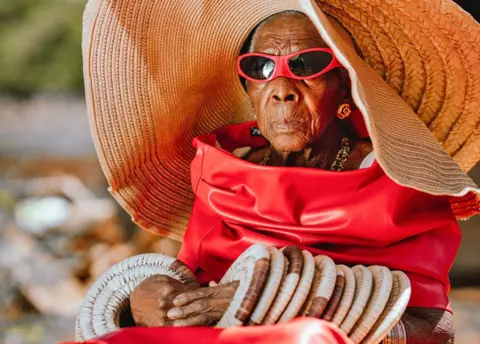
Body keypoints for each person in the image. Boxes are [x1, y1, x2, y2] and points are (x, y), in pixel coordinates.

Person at [76, 0, 480, 343]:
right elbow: (195, 290)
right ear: (249, 91)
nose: (281, 86)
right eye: (260, 68)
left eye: (306, 64)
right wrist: (139, 306)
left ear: (344, 84)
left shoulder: (396, 181)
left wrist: (285, 305)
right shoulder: (222, 173)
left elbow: (436, 329)